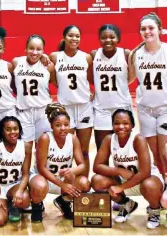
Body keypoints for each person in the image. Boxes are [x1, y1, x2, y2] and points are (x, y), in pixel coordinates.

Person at [128, 12, 167, 175]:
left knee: (166, 153)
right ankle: (163, 190)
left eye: (151, 28)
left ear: (159, 29)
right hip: (145, 109)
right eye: (143, 29)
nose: (147, 32)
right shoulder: (135, 54)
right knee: (156, 156)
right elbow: (129, 79)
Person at [91, 109, 164, 229]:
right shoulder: (109, 139)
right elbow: (97, 166)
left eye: (125, 123)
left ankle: (154, 211)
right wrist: (119, 171)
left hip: (145, 180)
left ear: (132, 125)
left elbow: (145, 172)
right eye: (117, 123)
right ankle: (126, 204)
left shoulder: (138, 139)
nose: (121, 126)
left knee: (149, 185)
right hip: (125, 179)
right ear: (112, 125)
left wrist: (120, 187)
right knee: (97, 180)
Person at [29, 103, 90, 222]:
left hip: (63, 179)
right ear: (51, 126)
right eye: (58, 125)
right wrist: (62, 185)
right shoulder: (45, 138)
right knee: (39, 186)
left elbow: (82, 165)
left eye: (66, 125)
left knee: (84, 183)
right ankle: (37, 205)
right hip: (44, 178)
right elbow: (41, 168)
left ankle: (64, 202)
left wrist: (72, 170)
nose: (63, 128)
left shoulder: (72, 138)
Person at [49, 25, 94, 177]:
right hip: (65, 109)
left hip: (84, 107)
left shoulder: (86, 57)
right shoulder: (55, 57)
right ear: (64, 37)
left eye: (77, 36)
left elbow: (90, 79)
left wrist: (90, 93)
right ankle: (65, 184)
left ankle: (84, 184)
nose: (74, 39)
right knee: (67, 150)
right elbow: (54, 80)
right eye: (70, 35)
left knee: (84, 151)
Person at [91, 24, 132, 150]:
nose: (108, 40)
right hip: (101, 108)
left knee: (124, 150)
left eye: (112, 37)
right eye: (104, 37)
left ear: (118, 38)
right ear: (99, 39)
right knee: (102, 149)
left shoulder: (125, 54)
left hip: (122, 107)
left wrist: (122, 84)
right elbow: (89, 77)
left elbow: (132, 76)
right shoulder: (94, 54)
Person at [0, 116, 32, 226]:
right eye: (8, 129)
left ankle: (13, 205)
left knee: (24, 199)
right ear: (2, 131)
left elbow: (26, 174)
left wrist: (20, 190)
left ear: (20, 129)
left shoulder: (26, 146)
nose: (12, 132)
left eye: (15, 128)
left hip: (14, 185)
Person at [13, 34, 54, 145]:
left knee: (43, 148)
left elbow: (55, 83)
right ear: (25, 49)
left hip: (43, 111)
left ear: (43, 50)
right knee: (25, 148)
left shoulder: (48, 65)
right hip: (23, 112)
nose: (34, 52)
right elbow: (13, 85)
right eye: (31, 48)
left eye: (39, 49)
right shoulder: (16, 62)